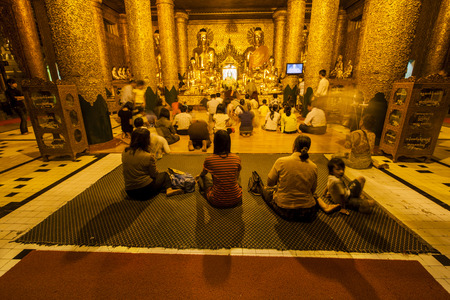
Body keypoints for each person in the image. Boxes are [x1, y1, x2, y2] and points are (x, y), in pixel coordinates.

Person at [257, 135, 340, 222]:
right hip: (308, 211)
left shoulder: (281, 161)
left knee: (265, 189)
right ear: (308, 149)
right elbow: (312, 191)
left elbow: (270, 183)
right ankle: (324, 206)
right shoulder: (313, 166)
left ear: (294, 146)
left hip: (285, 210)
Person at [121, 127, 182, 200]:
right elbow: (154, 174)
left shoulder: (124, 152)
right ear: (146, 141)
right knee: (165, 175)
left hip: (130, 192)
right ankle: (169, 189)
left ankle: (163, 188)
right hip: (145, 191)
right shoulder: (147, 156)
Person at [196, 130, 242, 208]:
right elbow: (237, 177)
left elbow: (203, 173)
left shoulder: (209, 159)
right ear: (229, 142)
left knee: (201, 178)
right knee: (237, 175)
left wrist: (198, 176)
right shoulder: (236, 158)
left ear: (215, 143)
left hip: (216, 200)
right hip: (236, 198)